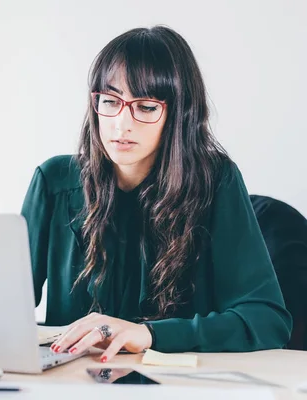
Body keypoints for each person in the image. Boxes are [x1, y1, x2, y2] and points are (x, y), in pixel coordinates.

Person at [21, 25, 292, 362]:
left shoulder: (215, 181)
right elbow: (4, 310)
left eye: (146, 107)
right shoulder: (55, 181)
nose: (122, 124)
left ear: (179, 114)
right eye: (110, 101)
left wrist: (150, 334)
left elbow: (267, 321)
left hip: (177, 385)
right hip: (73, 382)